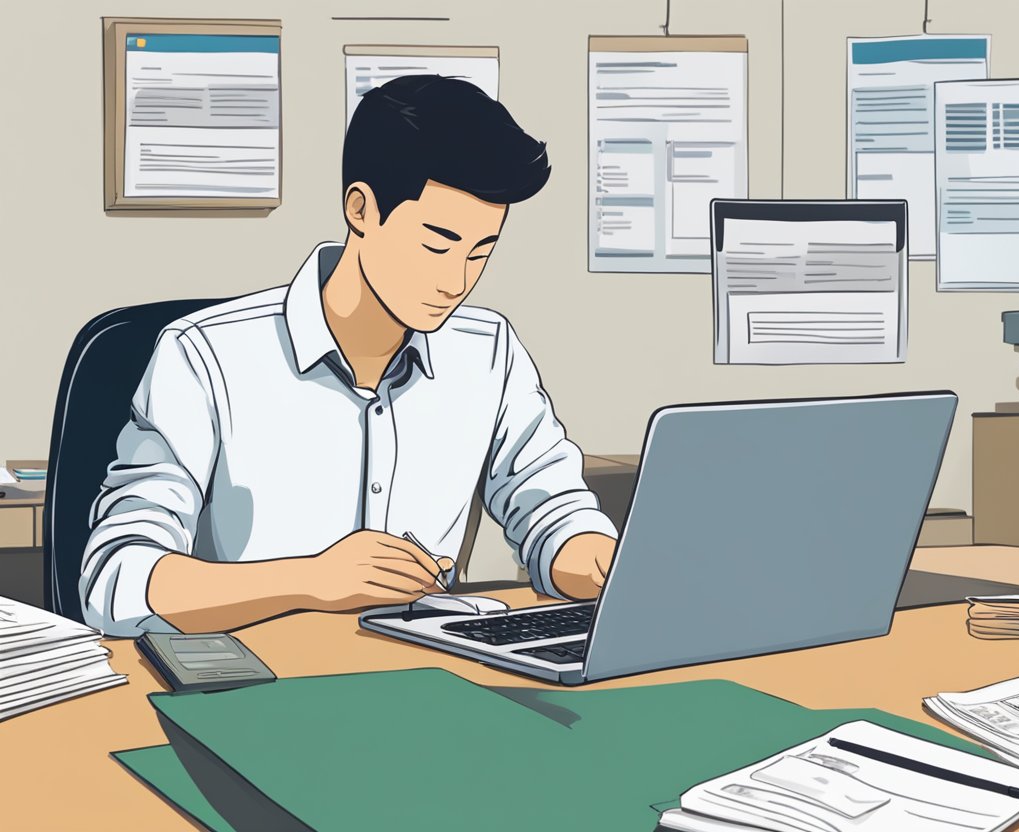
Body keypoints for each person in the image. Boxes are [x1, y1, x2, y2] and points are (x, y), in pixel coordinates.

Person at [80, 75, 617, 637]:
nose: (457, 281)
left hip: (427, 672)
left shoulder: (488, 352)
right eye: (437, 245)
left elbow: (552, 512)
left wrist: (595, 558)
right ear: (361, 209)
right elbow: (117, 581)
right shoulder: (205, 356)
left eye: (480, 252)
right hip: (252, 677)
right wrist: (310, 579)